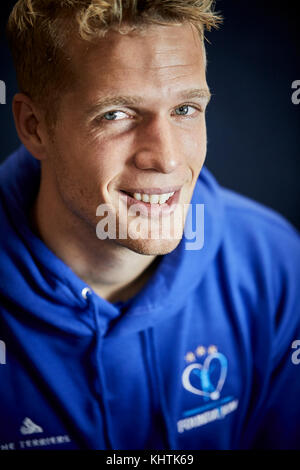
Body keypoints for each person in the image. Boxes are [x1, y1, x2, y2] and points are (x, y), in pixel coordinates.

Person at [0, 0, 299, 451]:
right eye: (116, 114)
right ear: (34, 126)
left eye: (185, 110)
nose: (168, 159)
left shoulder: (274, 264)